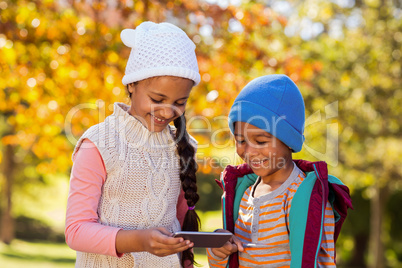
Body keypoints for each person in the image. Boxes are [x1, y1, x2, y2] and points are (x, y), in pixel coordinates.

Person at [65, 21, 202, 268]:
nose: (168, 110)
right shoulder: (99, 144)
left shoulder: (182, 146)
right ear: (131, 84)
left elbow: (180, 225)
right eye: (157, 99)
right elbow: (76, 230)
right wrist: (138, 240)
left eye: (180, 102)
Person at [207, 74, 353, 267]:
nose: (249, 151)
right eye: (241, 140)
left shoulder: (305, 197)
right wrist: (218, 250)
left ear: (288, 141)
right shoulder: (242, 195)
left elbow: (322, 262)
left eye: (260, 141)